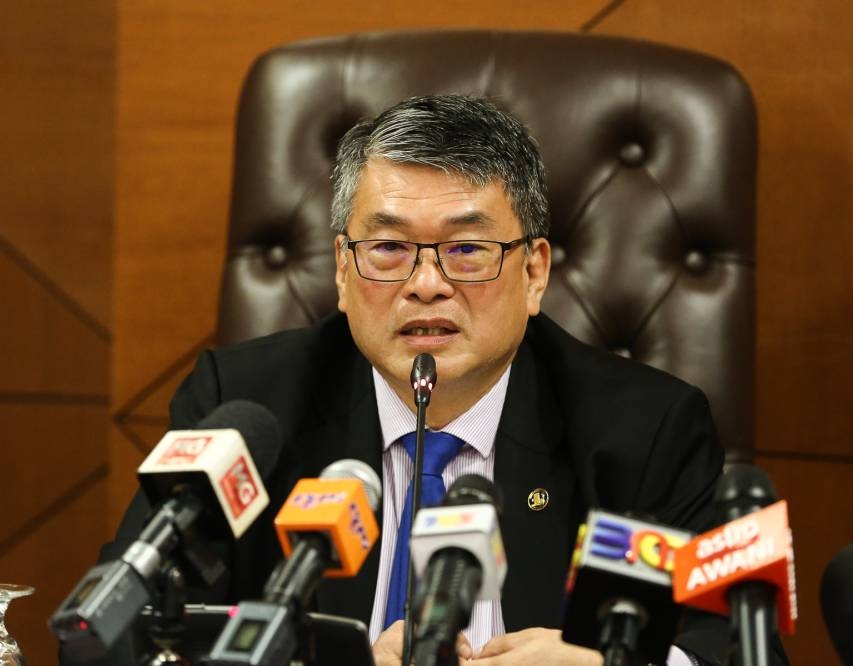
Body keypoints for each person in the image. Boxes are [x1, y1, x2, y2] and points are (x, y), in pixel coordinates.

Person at [104, 95, 754, 665]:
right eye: (388, 249)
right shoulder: (246, 409)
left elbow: (734, 651)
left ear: (534, 273)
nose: (425, 284)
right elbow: (118, 633)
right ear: (341, 268)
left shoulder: (641, 433)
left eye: (467, 251)